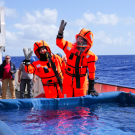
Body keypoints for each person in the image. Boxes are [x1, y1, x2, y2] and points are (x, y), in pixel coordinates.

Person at [56, 20, 99, 97]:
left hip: (81, 83)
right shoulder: (70, 48)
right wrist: (60, 33)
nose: (80, 40)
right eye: (79, 38)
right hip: (67, 81)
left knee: (80, 105)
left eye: (82, 39)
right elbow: (59, 42)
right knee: (66, 102)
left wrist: (91, 88)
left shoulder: (90, 56)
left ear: (87, 42)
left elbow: (92, 71)